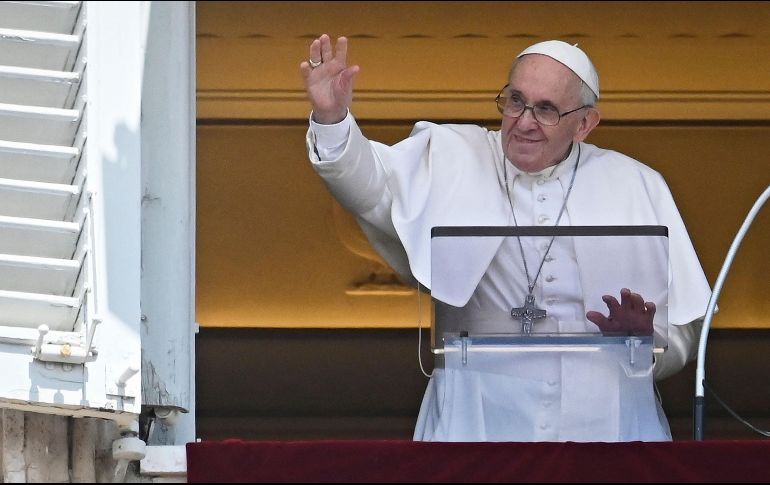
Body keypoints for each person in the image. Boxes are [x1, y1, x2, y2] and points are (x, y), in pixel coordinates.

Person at [300, 34, 712, 442]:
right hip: (477, 414)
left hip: (608, 419)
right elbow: (371, 187)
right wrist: (333, 119)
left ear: (585, 123)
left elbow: (682, 332)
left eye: (547, 109)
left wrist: (643, 339)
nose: (525, 121)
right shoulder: (453, 154)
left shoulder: (635, 184)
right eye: (516, 101)